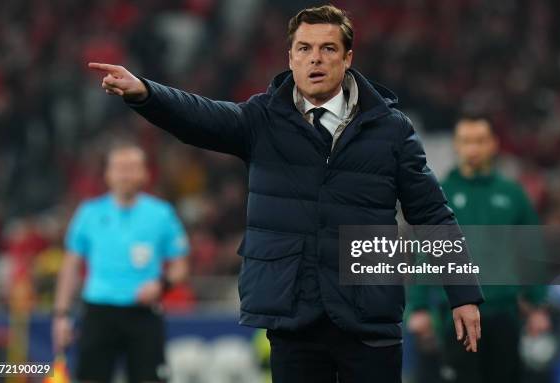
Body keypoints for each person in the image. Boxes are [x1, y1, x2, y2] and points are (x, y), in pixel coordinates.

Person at [88, 5, 483, 382]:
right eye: (304, 49)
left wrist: (463, 294)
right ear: (290, 58)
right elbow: (199, 116)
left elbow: (432, 213)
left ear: (347, 58)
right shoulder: (261, 119)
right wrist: (145, 93)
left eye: (328, 48)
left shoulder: (391, 129)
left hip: (368, 314)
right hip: (293, 313)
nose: (316, 59)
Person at [407, 114, 551, 383]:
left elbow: (532, 251)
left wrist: (538, 305)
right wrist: (419, 306)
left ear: (494, 144)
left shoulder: (513, 194)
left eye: (480, 141)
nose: (473, 148)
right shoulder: (439, 193)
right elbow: (425, 253)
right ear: (456, 146)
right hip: (455, 315)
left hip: (504, 313)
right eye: (466, 141)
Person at [52, 142, 190, 383]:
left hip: (144, 314)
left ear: (145, 174)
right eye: (119, 167)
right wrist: (61, 314)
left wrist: (162, 284)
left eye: (132, 167)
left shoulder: (161, 214)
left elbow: (180, 266)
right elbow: (71, 266)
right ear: (107, 174)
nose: (125, 174)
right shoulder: (89, 213)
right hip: (98, 310)